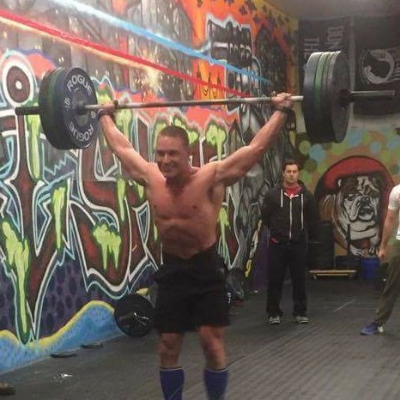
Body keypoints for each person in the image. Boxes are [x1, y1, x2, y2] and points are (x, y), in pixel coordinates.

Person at [97, 92, 294, 400]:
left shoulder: (211, 177)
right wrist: (104, 115)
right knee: (167, 346)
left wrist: (281, 112)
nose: (165, 160)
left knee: (211, 344)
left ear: (187, 153)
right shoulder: (150, 177)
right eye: (160, 153)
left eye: (172, 154)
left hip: (205, 268)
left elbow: (254, 149)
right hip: (173, 269)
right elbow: (122, 148)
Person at [261, 160, 319, 325]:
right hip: (277, 244)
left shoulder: (307, 196)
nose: (291, 174)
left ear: (298, 174)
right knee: (275, 280)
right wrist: (277, 232)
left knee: (299, 280)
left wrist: (303, 235)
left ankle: (300, 312)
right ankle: (273, 312)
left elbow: (313, 219)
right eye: (289, 171)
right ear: (283, 173)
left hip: (298, 245)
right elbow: (265, 217)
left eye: (294, 171)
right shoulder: (272, 195)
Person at [361, 183, 399, 336]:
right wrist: (383, 246)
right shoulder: (397, 191)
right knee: (392, 284)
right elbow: (390, 219)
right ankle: (378, 323)